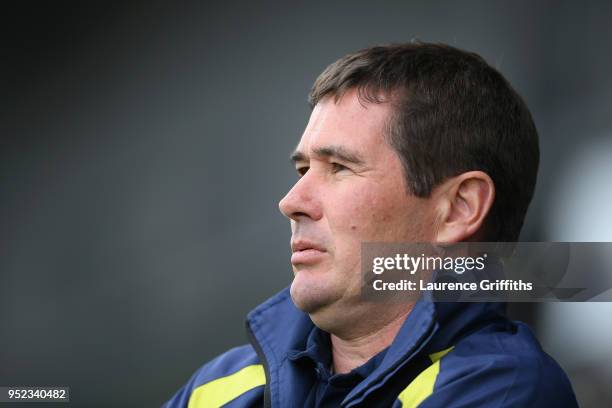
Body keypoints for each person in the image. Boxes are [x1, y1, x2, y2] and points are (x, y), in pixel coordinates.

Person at [163, 42, 578, 407]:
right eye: (302, 169)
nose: (291, 203)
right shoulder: (218, 385)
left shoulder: (505, 387)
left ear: (458, 209)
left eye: (339, 167)